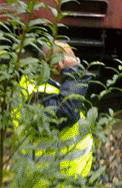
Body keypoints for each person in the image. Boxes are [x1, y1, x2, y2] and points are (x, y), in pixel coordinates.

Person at [16, 40, 93, 182]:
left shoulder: (56, 87)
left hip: (66, 176)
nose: (78, 64)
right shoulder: (37, 91)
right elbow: (65, 113)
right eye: (74, 61)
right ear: (59, 66)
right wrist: (75, 75)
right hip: (47, 179)